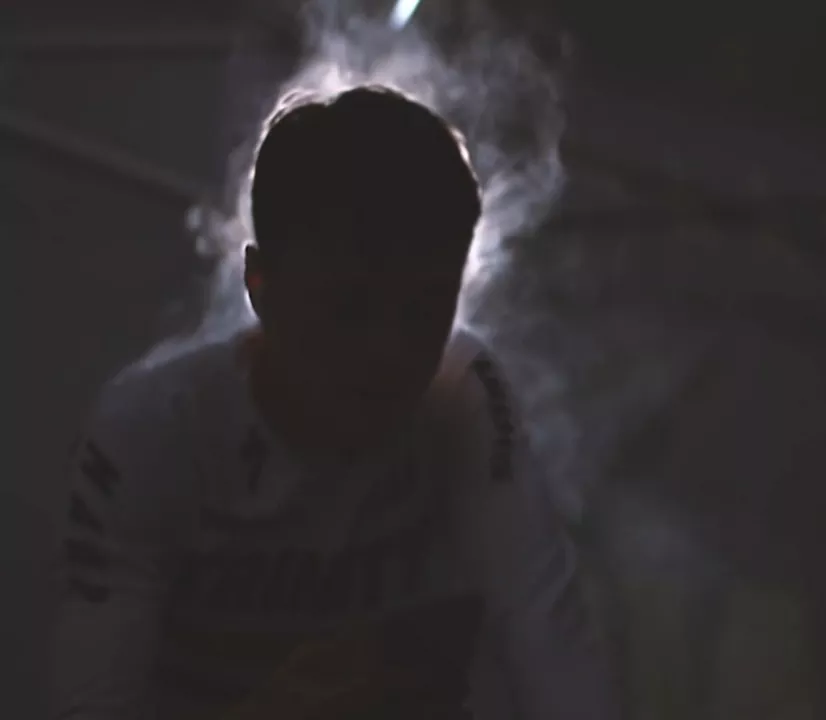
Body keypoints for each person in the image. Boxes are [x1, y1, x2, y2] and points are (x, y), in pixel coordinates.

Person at [51, 86, 621, 720]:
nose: (389, 350)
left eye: (426, 309)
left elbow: (551, 639)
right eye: (346, 307)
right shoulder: (153, 430)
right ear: (260, 287)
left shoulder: (462, 394)